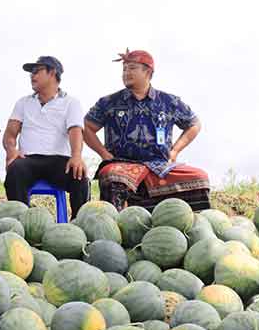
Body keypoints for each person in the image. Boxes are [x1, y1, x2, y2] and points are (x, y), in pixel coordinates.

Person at [84, 49, 210, 211]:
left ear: (148, 72)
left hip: (160, 166)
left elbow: (194, 124)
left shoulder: (169, 101)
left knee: (199, 178)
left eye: (132, 68)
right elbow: (87, 127)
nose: (126, 73)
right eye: (124, 69)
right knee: (113, 176)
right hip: (122, 165)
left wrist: (174, 152)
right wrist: (104, 154)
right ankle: (117, 228)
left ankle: (188, 227)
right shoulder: (109, 102)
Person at [3, 56, 89, 217]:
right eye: (31, 73)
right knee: (15, 170)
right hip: (29, 160)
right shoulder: (23, 102)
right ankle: (21, 223)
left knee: (79, 175)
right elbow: (10, 134)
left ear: (52, 73)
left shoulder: (71, 102)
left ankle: (80, 224)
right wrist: (11, 150)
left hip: (59, 161)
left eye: (36, 71)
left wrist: (76, 155)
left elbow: (75, 131)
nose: (32, 76)